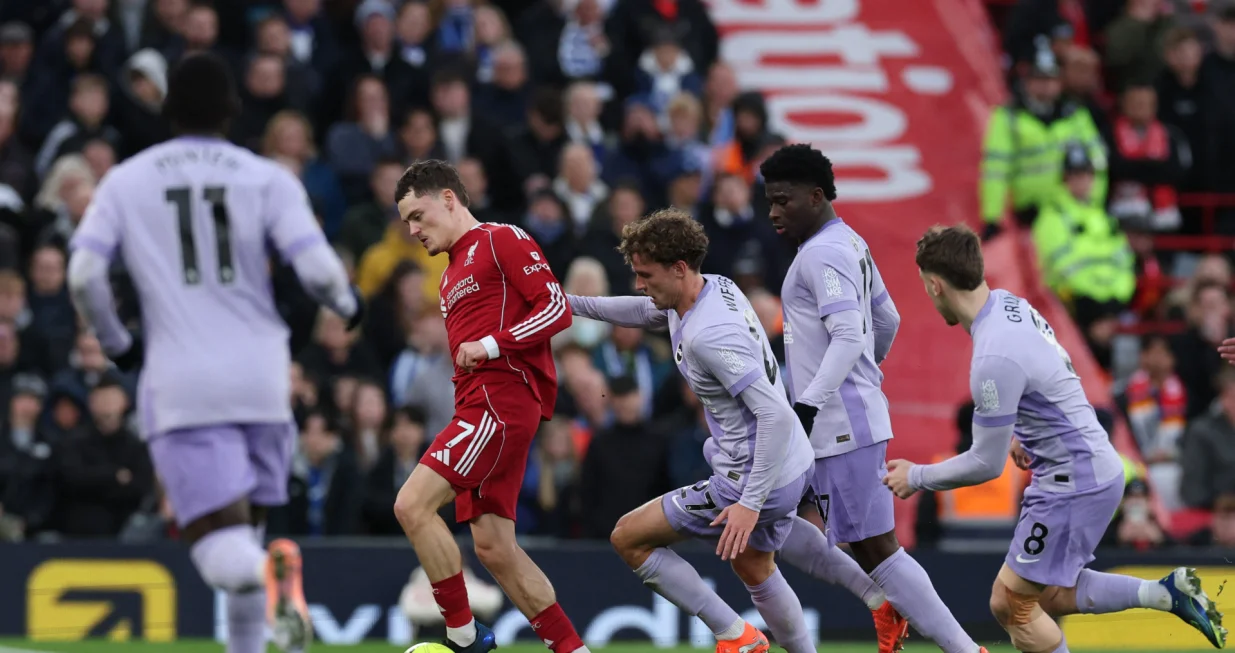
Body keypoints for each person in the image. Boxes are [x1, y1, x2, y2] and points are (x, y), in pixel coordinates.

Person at [66, 52, 366, 653]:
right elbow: (320, 271)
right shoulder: (267, 177)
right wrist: (348, 305)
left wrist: (119, 344)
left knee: (217, 546)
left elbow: (83, 275)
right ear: (231, 111)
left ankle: (272, 576)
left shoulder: (128, 180)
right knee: (245, 534)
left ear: (168, 108)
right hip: (261, 379)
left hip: (183, 383)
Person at [884, 224, 1226, 653]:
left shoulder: (992, 356)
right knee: (1044, 595)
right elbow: (1055, 372)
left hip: (1074, 479)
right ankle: (1165, 594)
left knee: (1011, 604)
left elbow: (985, 464)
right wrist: (1026, 430)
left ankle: (1165, 594)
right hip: (1090, 463)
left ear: (936, 284)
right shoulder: (1011, 305)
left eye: (925, 288)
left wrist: (917, 477)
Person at [760, 143, 980, 653]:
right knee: (770, 518)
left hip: (836, 423)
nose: (773, 211)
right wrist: (861, 375)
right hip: (840, 419)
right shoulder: (849, 243)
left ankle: (965, 649)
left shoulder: (822, 253)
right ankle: (881, 608)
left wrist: (816, 398)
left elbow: (849, 337)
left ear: (815, 197)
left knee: (878, 550)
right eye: (769, 200)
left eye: (783, 200)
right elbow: (887, 321)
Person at [567, 208, 811, 653]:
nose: (640, 284)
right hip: (794, 462)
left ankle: (735, 636)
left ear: (679, 269)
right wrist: (572, 304)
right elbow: (643, 310)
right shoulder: (714, 288)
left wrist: (749, 504)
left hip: (756, 474)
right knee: (755, 565)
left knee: (629, 537)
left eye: (646, 274)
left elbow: (774, 414)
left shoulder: (709, 335)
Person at [390, 160, 586, 653]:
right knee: (495, 548)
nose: (412, 230)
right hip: (480, 407)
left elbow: (556, 308)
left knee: (412, 506)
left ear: (449, 199)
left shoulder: (502, 239)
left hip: (499, 403)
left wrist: (493, 346)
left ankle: (462, 636)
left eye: (418, 215)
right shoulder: (450, 273)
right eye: (406, 222)